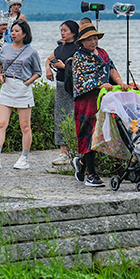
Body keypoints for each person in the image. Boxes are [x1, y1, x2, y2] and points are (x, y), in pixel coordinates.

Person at [72, 20, 131, 187]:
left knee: (101, 134)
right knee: (88, 134)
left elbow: (111, 68)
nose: (93, 42)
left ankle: (82, 163)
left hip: (104, 99)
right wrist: (98, 84)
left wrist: (120, 82)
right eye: (89, 39)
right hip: (87, 100)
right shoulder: (79, 56)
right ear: (82, 41)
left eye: (95, 38)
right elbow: (80, 78)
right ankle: (91, 174)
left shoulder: (103, 53)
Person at [0, 20, 43, 171]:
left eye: (17, 31)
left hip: (22, 88)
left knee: (25, 126)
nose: (13, 33)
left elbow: (38, 72)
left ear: (24, 34)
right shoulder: (5, 48)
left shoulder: (31, 52)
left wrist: (26, 83)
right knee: (1, 123)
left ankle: (24, 157)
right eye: (12, 31)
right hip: (7, 87)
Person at [45, 20, 80, 166]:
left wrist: (64, 66)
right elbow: (48, 58)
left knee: (74, 116)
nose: (63, 33)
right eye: (62, 30)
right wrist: (48, 68)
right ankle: (63, 152)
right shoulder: (59, 48)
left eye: (65, 30)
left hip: (74, 86)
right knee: (60, 116)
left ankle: (77, 150)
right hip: (60, 85)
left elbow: (80, 69)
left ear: (73, 32)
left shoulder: (78, 48)